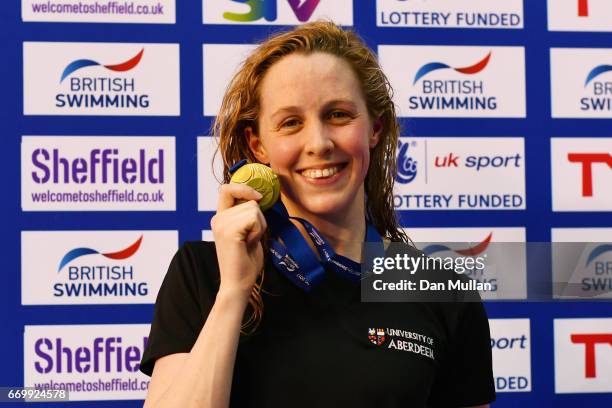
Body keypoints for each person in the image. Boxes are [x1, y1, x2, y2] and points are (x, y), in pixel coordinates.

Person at [140, 21, 495, 408]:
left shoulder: (439, 289)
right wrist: (234, 292)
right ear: (258, 146)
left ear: (374, 129)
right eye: (291, 122)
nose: (319, 143)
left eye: (339, 115)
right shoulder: (204, 273)